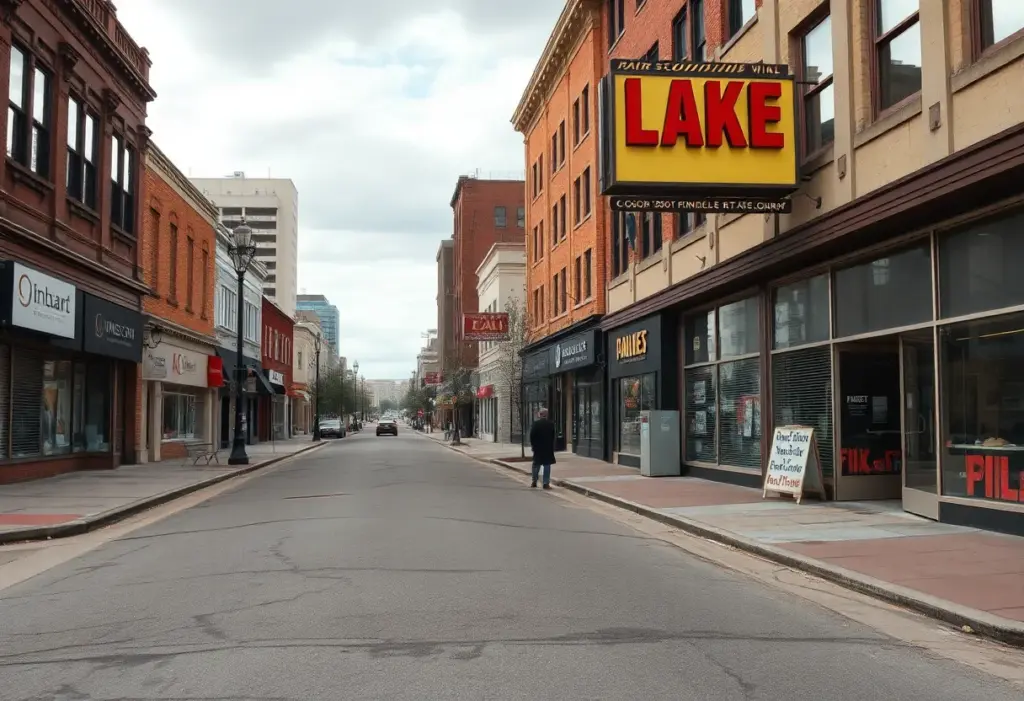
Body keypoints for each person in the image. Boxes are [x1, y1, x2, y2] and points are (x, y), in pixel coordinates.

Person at [529, 407, 556, 489]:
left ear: (539, 415)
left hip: (538, 448)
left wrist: (533, 445)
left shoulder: (536, 424)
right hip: (547, 447)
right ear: (546, 415)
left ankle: (534, 481)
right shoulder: (550, 424)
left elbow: (532, 436)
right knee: (547, 465)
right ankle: (546, 483)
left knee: (536, 464)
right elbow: (553, 436)